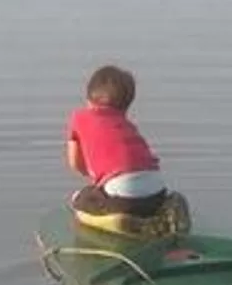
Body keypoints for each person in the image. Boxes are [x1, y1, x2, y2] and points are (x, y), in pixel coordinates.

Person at [64, 63, 174, 224]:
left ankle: (120, 220)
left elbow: (75, 163)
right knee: (142, 202)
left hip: (123, 199)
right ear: (126, 107)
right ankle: (165, 209)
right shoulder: (128, 126)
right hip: (158, 191)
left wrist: (95, 180)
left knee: (79, 199)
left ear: (88, 98)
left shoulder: (79, 118)